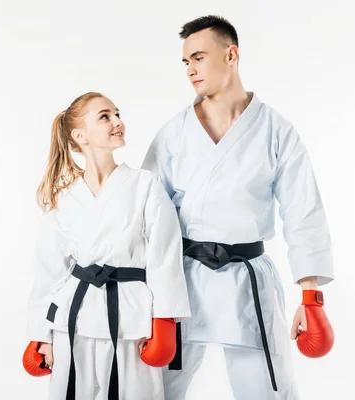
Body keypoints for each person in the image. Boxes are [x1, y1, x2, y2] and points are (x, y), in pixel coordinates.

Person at [141, 15, 335, 400]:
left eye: (198, 57)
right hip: (182, 281)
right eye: (185, 62)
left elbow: (303, 211)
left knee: (266, 389)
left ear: (231, 54)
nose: (190, 70)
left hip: (247, 281)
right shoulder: (174, 132)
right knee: (154, 388)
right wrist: (144, 296)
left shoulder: (275, 131)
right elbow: (145, 216)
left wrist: (310, 297)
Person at [23, 92, 192, 400]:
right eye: (105, 116)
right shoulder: (65, 197)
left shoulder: (145, 185)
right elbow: (49, 271)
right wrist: (40, 335)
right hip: (73, 320)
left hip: (131, 320)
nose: (118, 122)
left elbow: (165, 257)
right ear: (80, 135)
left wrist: (165, 321)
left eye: (117, 114)